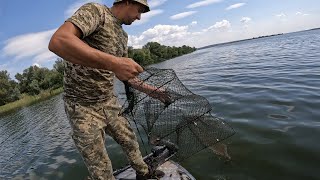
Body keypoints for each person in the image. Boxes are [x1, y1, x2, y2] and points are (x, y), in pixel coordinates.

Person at [48, 0, 165, 179]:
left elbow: (123, 73)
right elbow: (59, 41)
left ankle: (143, 173)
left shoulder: (123, 37)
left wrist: (152, 90)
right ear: (126, 1)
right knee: (100, 167)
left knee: (130, 141)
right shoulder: (97, 12)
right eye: (139, 10)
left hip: (109, 102)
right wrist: (114, 62)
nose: (139, 17)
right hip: (82, 107)